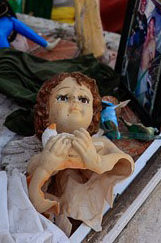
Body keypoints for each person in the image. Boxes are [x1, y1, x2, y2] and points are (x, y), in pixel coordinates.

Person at [27, 73, 134, 234]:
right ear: (45, 112)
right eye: (63, 97)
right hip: (58, 214)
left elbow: (126, 164)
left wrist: (96, 161)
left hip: (101, 211)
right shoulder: (51, 147)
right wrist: (46, 167)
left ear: (93, 113)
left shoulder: (96, 143)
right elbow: (32, 196)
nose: (75, 102)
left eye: (83, 99)